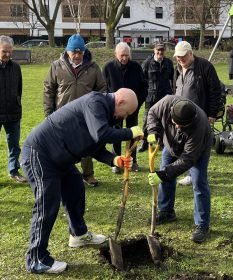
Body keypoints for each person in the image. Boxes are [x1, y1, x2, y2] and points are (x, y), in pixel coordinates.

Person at [21, 88, 143, 274]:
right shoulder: (95, 103)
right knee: (47, 204)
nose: (123, 117)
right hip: (40, 154)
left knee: (75, 188)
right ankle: (36, 258)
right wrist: (129, 132)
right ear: (120, 102)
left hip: (61, 158)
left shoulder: (107, 113)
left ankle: (78, 234)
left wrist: (113, 159)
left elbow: (95, 144)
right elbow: (101, 134)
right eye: (126, 113)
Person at [146, 95, 212, 243]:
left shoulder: (199, 125)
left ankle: (202, 225)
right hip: (170, 145)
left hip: (197, 151)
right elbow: (152, 113)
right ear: (171, 113)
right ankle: (166, 211)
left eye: (182, 126)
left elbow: (188, 159)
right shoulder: (166, 103)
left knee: (199, 182)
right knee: (166, 172)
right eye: (176, 123)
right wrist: (152, 131)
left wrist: (163, 174)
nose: (177, 127)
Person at [43, 33, 106, 187]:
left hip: (86, 115)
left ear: (84, 52)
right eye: (74, 52)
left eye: (80, 52)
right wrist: (49, 113)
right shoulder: (56, 66)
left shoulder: (93, 67)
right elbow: (48, 90)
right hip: (62, 114)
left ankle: (88, 175)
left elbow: (102, 89)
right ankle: (62, 173)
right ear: (67, 51)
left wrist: (97, 109)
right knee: (62, 146)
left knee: (86, 145)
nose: (77, 55)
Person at [173, 40, 221, 185]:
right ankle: (190, 172)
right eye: (178, 57)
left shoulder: (205, 67)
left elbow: (215, 91)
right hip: (182, 116)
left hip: (200, 115)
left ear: (191, 53)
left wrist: (212, 113)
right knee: (184, 145)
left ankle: (195, 175)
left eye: (183, 56)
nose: (180, 59)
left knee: (197, 146)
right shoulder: (178, 68)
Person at [103, 42, 147, 172]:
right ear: (116, 54)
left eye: (127, 56)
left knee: (133, 133)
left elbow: (144, 86)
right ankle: (117, 161)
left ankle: (132, 160)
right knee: (116, 133)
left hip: (132, 108)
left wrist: (137, 103)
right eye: (122, 55)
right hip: (115, 108)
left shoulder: (136, 67)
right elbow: (103, 89)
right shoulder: (108, 68)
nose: (124, 58)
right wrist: (109, 105)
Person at [138, 42, 174, 152]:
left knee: (164, 120)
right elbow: (141, 79)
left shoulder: (168, 63)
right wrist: (144, 93)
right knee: (147, 120)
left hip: (164, 96)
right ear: (154, 50)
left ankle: (161, 142)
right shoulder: (147, 63)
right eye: (158, 50)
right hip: (151, 97)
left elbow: (172, 78)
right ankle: (144, 141)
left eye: (162, 50)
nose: (160, 52)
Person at [0, 35, 27, 183]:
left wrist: (16, 103)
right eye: (4, 51)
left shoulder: (16, 67)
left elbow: (19, 89)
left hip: (13, 113)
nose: (8, 54)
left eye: (10, 51)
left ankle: (14, 170)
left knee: (14, 146)